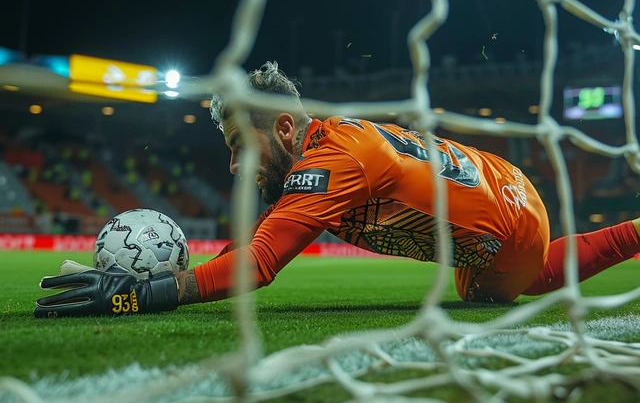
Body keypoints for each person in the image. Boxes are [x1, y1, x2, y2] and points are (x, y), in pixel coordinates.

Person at [34, 62, 640, 318]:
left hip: (507, 222)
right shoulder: (330, 151)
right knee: (515, 277)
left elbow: (261, 264)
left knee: (491, 286)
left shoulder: (332, 164)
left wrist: (137, 296)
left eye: (241, 147)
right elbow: (252, 247)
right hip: (508, 194)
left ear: (286, 128)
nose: (236, 168)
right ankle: (634, 232)